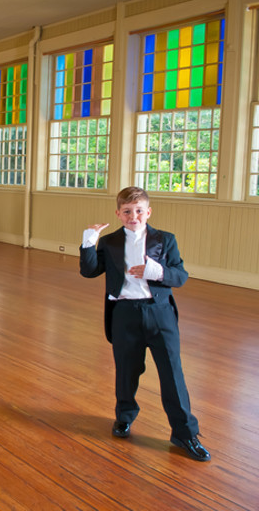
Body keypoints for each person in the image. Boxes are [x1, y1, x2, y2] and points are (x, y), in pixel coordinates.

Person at [79, 186, 210, 462]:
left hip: (159, 314)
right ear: (118, 214)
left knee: (172, 373)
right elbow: (90, 271)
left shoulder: (166, 239)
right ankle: (124, 417)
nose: (133, 216)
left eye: (139, 210)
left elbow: (181, 276)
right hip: (124, 314)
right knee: (127, 371)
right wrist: (89, 242)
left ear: (148, 212)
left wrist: (157, 272)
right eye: (127, 211)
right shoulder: (111, 242)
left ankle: (185, 432)